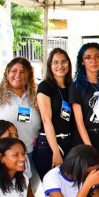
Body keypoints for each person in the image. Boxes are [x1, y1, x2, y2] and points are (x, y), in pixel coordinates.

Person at [0, 57, 41, 160]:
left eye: (22, 72)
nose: (18, 75)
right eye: (14, 71)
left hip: (29, 155)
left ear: (29, 75)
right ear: (7, 73)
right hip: (0, 155)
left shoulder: (36, 97)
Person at [34, 48, 74, 180]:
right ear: (50, 66)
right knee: (52, 188)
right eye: (55, 62)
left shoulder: (72, 87)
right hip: (49, 144)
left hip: (69, 142)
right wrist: (55, 152)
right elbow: (46, 120)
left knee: (68, 187)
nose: (60, 66)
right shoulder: (45, 86)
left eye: (64, 62)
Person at [70, 42, 99, 158]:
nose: (93, 61)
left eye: (97, 56)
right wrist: (90, 148)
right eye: (88, 57)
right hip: (83, 141)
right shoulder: (77, 86)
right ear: (82, 61)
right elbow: (79, 122)